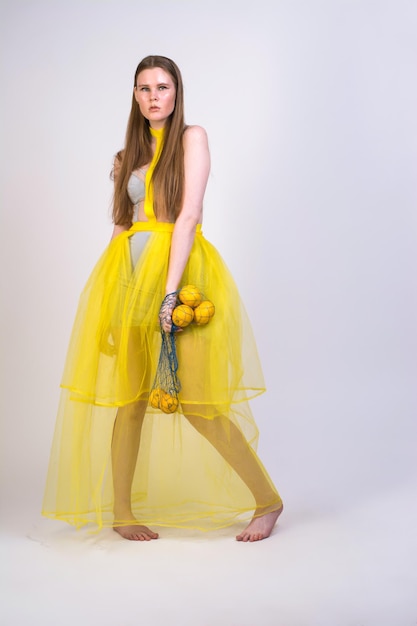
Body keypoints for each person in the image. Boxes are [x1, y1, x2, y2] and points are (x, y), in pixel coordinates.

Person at [42, 55, 283, 542]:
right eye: (145, 88)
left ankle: (268, 501)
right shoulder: (125, 156)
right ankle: (124, 512)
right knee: (128, 400)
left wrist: (170, 295)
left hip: (181, 276)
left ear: (177, 92)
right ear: (135, 96)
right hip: (128, 278)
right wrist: (109, 302)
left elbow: (189, 215)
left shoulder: (193, 138)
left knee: (197, 402)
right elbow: (122, 227)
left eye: (163, 87)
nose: (154, 96)